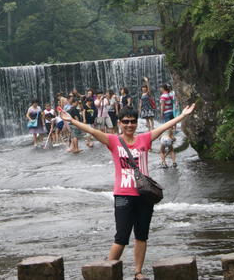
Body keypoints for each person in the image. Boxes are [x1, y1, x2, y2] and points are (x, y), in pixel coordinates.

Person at [61, 103, 195, 280]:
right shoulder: (113, 141)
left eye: (132, 122)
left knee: (141, 235)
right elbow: (92, 131)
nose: (129, 125)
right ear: (120, 123)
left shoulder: (144, 139)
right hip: (123, 195)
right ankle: (107, 270)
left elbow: (165, 126)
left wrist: (182, 116)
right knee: (121, 237)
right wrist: (72, 121)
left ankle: (138, 272)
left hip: (145, 195)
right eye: (126, 122)